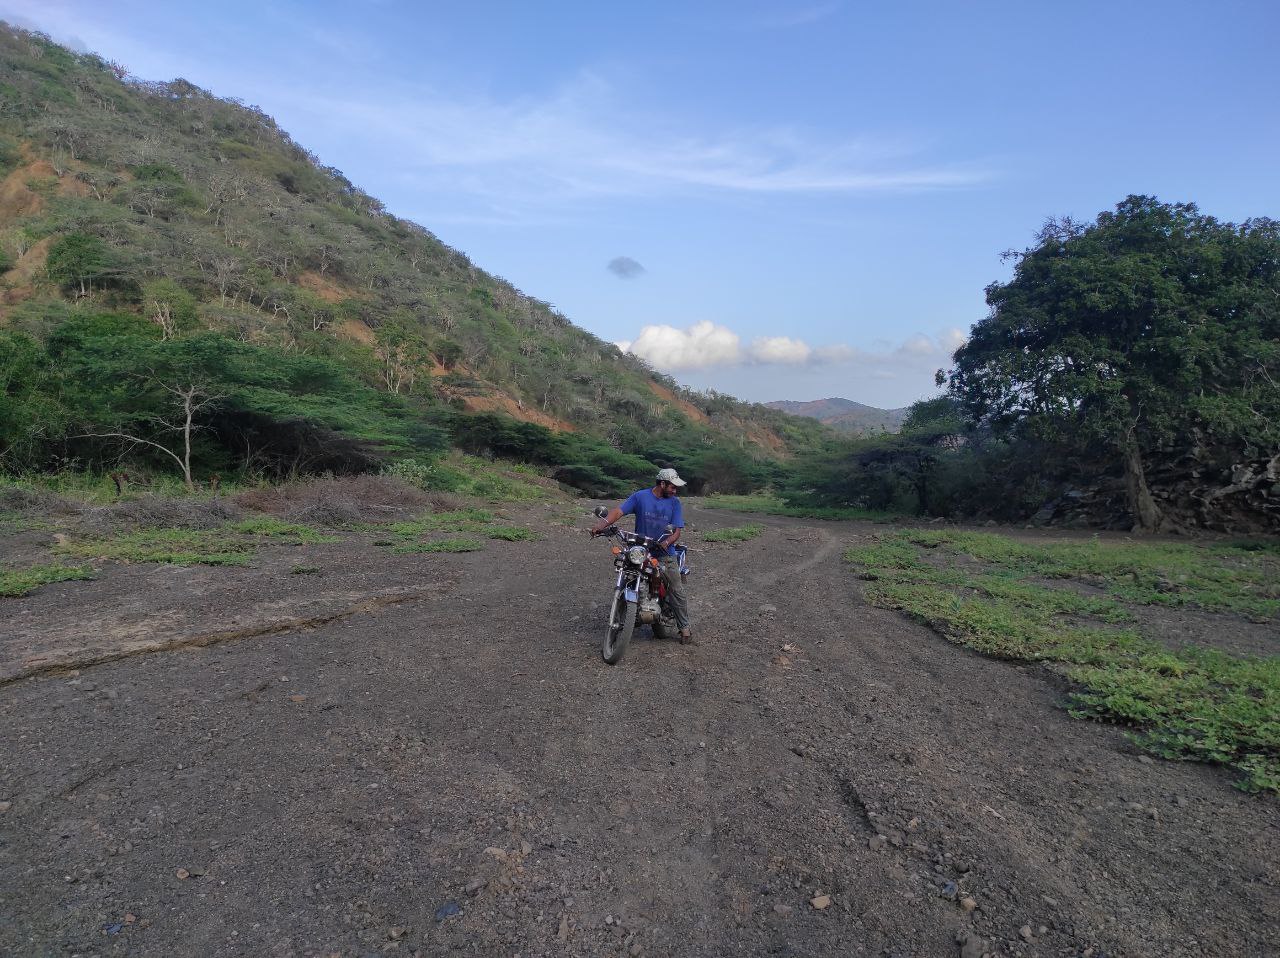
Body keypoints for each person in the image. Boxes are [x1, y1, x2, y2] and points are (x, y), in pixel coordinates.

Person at [590, 467, 692, 644]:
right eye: (672, 487)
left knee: (676, 588)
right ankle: (628, 613)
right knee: (626, 571)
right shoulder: (640, 497)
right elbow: (619, 511)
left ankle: (685, 628)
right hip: (641, 550)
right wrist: (602, 525)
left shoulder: (674, 503)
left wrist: (666, 543)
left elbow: (676, 532)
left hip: (664, 553)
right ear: (662, 483)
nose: (675, 490)